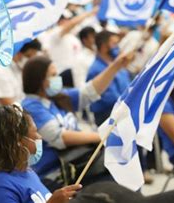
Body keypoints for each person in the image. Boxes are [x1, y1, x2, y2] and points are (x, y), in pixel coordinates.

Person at [0, 105, 174, 203]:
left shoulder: (24, 172)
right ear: (17, 143)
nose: (39, 137)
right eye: (34, 133)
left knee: (107, 191)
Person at [21, 53, 132, 188]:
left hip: (78, 162)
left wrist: (115, 66)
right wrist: (101, 136)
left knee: (122, 167)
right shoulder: (31, 106)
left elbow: (89, 91)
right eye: (53, 75)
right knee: (113, 179)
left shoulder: (57, 98)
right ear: (40, 80)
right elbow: (60, 137)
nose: (58, 79)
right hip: (57, 173)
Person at [42, 7, 98, 88]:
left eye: (69, 19)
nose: (68, 21)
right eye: (65, 19)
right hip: (58, 76)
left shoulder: (73, 38)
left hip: (75, 75)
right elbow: (72, 24)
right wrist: (89, 13)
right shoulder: (54, 35)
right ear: (59, 20)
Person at [86, 30, 131, 126]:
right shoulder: (96, 70)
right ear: (103, 46)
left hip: (124, 115)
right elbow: (110, 98)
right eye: (115, 44)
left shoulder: (118, 65)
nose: (118, 47)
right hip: (109, 118)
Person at [0, 40, 42, 109]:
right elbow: (9, 105)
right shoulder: (0, 73)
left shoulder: (19, 70)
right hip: (7, 117)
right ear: (17, 53)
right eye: (28, 56)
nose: (31, 60)